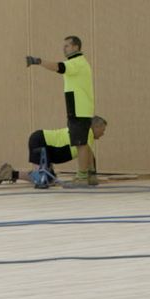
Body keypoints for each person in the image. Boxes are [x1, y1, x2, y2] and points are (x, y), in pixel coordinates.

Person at [26, 35, 97, 186]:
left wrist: (38, 61)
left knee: (80, 144)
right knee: (82, 142)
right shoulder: (79, 63)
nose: (63, 48)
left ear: (76, 47)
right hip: (78, 108)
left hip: (79, 109)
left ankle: (83, 177)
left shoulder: (77, 63)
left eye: (67, 46)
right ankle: (90, 174)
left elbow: (59, 67)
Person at [0, 117, 108, 187]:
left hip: (47, 145)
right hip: (40, 140)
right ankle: (9, 173)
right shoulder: (87, 133)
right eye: (103, 130)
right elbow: (88, 155)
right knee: (41, 180)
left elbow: (89, 155)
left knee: (48, 179)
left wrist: (92, 176)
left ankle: (11, 173)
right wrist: (89, 177)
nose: (103, 134)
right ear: (96, 126)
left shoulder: (86, 135)